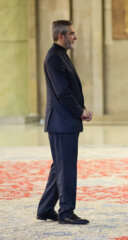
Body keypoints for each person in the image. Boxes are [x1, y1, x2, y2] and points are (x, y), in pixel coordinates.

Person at [36, 20, 92, 224]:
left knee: (59, 166)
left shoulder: (61, 56)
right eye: (72, 33)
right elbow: (62, 92)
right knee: (66, 167)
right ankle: (66, 212)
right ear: (61, 36)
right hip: (62, 122)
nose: (75, 37)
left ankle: (45, 209)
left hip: (64, 122)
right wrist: (80, 111)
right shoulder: (54, 58)